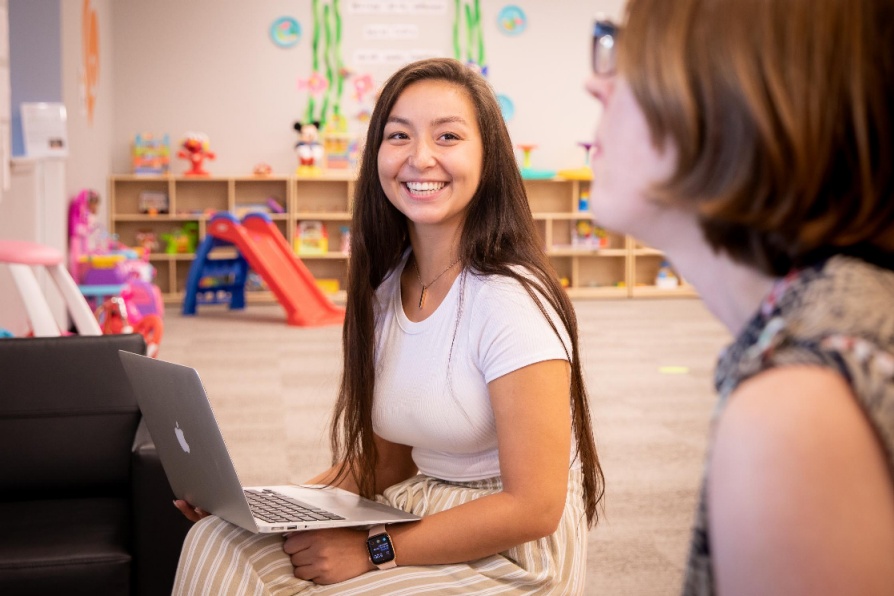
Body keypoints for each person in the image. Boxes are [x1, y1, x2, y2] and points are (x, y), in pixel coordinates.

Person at [172, 57, 604, 594]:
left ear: (488, 157)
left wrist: (374, 548)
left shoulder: (511, 299)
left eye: (448, 136)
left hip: (509, 549)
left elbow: (534, 507)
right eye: (398, 136)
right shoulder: (386, 288)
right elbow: (389, 459)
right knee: (215, 539)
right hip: (416, 505)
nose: (420, 158)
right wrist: (264, 507)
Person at [586, 1, 894, 594]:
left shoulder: (800, 412)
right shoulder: (844, 314)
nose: (595, 83)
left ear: (735, 96)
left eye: (630, 57)